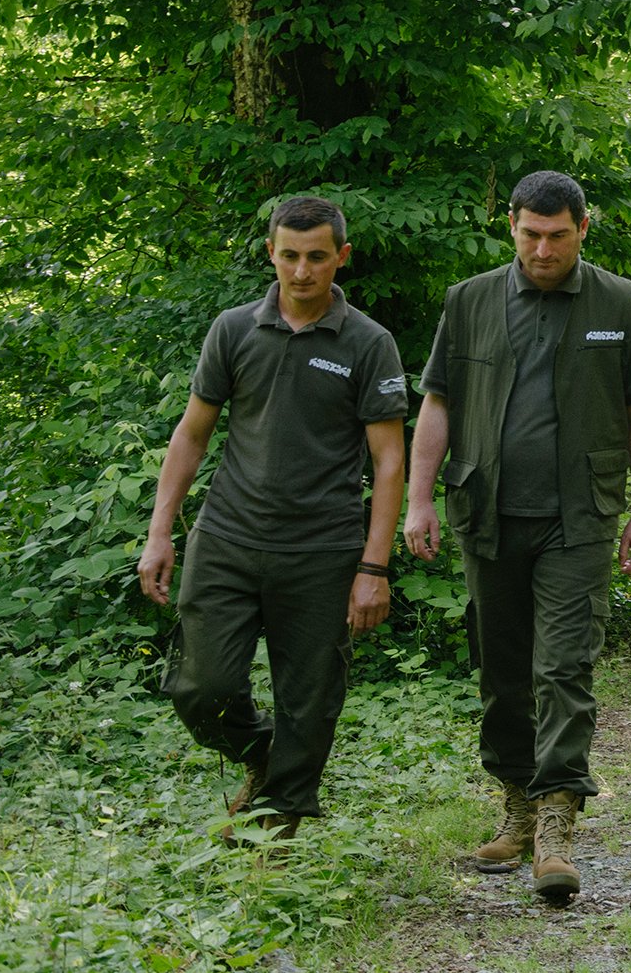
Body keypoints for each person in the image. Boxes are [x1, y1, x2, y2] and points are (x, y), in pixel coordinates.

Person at [404, 170, 631, 901]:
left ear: (583, 228)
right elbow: (437, 403)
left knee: (564, 665)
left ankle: (557, 820)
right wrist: (418, 500)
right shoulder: (470, 301)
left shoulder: (617, 301)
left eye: (558, 236)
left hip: (579, 516)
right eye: (530, 235)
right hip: (487, 511)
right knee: (503, 668)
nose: (543, 250)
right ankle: (517, 803)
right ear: (511, 227)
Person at [137, 196, 407, 846]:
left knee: (309, 697)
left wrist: (373, 566)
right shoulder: (234, 330)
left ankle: (278, 819)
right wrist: (159, 532)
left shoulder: (368, 343)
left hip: (322, 548)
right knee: (200, 686)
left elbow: (389, 461)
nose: (302, 270)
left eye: (317, 256)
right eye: (289, 255)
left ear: (342, 256)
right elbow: (192, 434)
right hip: (227, 537)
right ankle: (265, 754)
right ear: (271, 253)